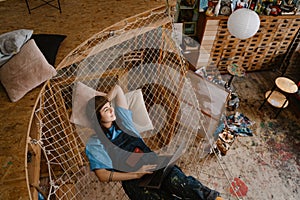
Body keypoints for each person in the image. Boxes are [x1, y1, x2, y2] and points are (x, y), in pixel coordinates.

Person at [85, 84, 223, 200]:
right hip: (134, 181)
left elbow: (117, 89)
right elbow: (102, 175)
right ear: (97, 118)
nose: (111, 110)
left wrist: (103, 102)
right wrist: (136, 174)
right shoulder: (95, 143)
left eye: (110, 106)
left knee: (181, 182)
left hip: (154, 164)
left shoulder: (123, 122)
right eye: (106, 110)